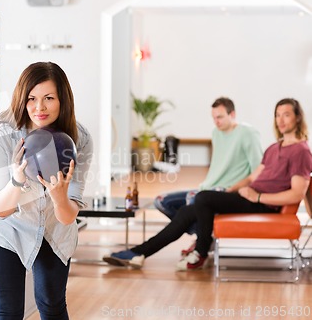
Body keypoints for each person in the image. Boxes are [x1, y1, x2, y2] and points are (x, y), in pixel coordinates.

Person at [104, 98, 312, 271]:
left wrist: (257, 197)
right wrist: (230, 192)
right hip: (247, 196)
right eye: (277, 115)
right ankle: (137, 253)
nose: (281, 119)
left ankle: (201, 251)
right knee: (187, 212)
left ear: (297, 117)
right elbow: (251, 178)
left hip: (263, 203)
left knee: (203, 198)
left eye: (286, 114)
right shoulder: (274, 148)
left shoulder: (301, 151)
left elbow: (296, 194)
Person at [0, 62, 93, 319]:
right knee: (7, 312)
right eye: (31, 98)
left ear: (62, 99)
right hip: (6, 229)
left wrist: (59, 197)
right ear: (22, 99)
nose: (39, 108)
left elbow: (66, 216)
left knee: (52, 304)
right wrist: (16, 181)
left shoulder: (80, 138)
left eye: (49, 98)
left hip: (54, 229)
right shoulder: (2, 133)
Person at [155, 97, 262, 240]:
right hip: (208, 187)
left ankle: (201, 244)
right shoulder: (216, 133)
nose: (216, 121)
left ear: (232, 115)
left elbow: (259, 169)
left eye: (220, 117)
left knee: (192, 199)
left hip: (227, 190)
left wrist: (236, 189)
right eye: (214, 118)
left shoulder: (248, 133)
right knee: (161, 201)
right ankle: (203, 236)